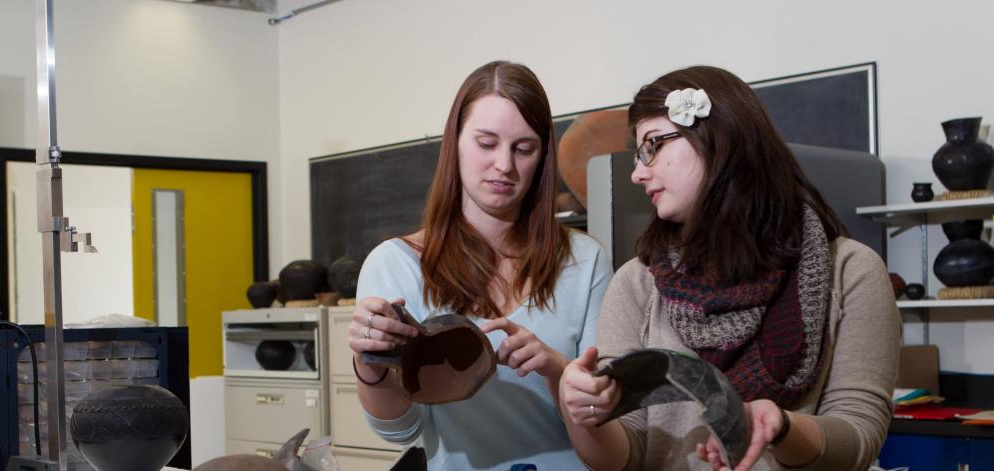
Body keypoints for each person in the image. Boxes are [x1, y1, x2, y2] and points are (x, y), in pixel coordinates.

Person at [558, 65, 900, 471]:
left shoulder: (851, 271)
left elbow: (859, 436)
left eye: (653, 145)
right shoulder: (637, 283)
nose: (637, 172)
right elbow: (623, 454)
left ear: (717, 140)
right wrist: (581, 414)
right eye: (638, 152)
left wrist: (784, 427)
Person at [346, 60, 613, 470]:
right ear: (454, 142)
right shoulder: (396, 265)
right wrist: (369, 361)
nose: (504, 165)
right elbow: (399, 430)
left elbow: (610, 422)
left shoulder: (584, 261)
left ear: (542, 157)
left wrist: (554, 368)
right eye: (486, 143)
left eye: (524, 149)